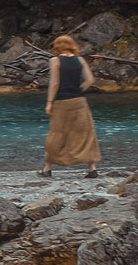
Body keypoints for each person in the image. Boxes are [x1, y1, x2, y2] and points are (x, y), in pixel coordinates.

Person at [40, 34, 101, 178]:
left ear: (57, 47)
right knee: (86, 133)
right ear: (72, 45)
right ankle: (92, 168)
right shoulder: (80, 60)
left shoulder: (55, 61)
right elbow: (90, 80)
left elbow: (54, 83)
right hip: (79, 101)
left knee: (57, 134)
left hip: (62, 102)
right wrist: (79, 90)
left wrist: (49, 102)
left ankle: (47, 168)